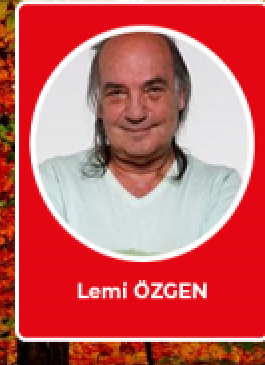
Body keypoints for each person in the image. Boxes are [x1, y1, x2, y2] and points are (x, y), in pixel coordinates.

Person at [38, 31, 241, 257]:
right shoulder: (52, 183)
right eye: (117, 93)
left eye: (153, 90)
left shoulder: (221, 189)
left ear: (180, 97)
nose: (135, 113)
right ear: (98, 104)